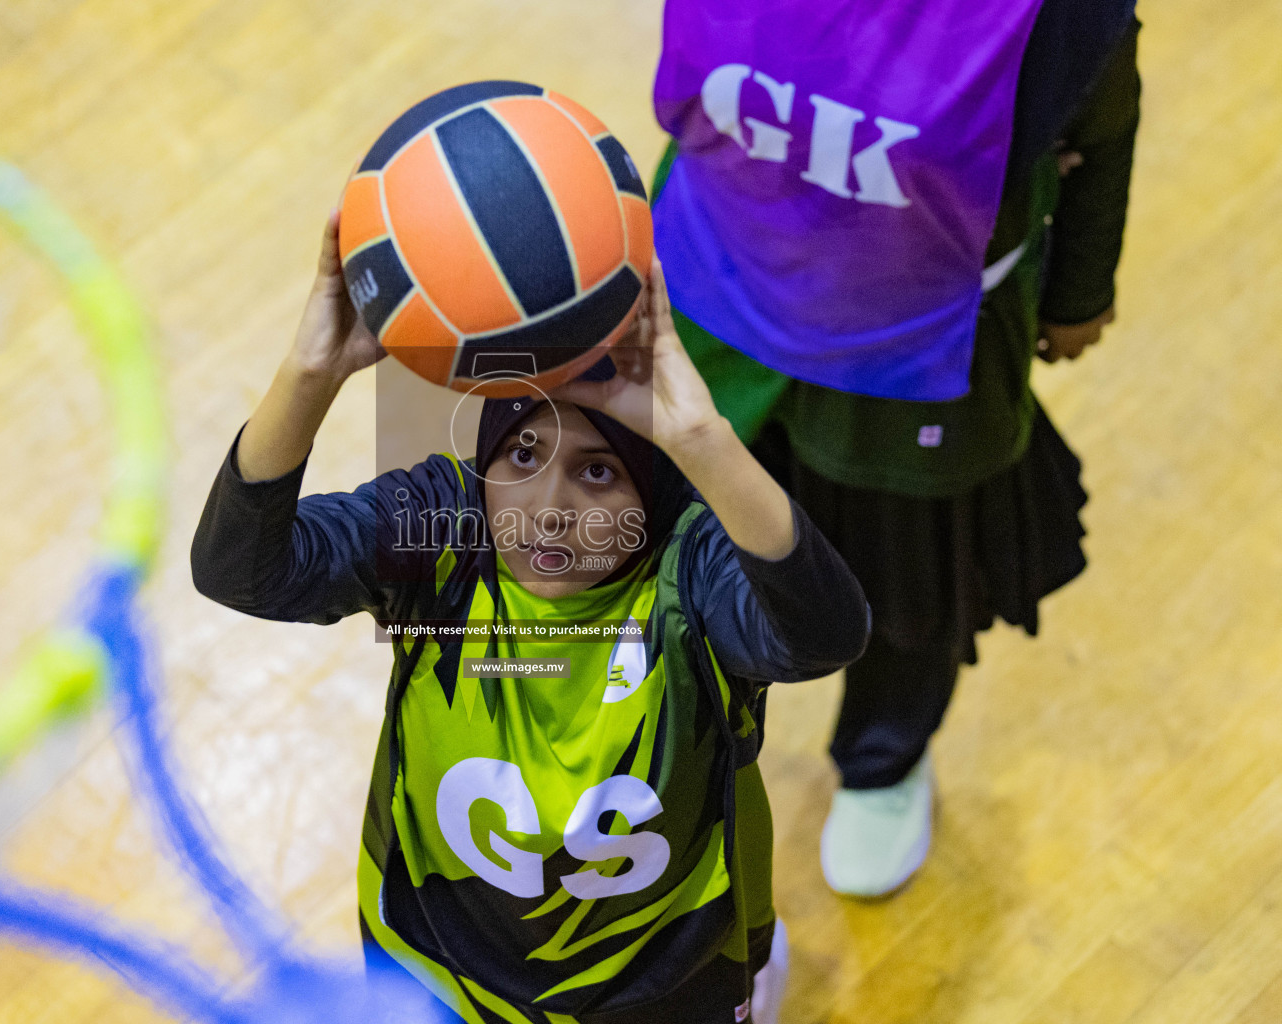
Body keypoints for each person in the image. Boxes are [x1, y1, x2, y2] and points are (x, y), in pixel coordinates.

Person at [190, 209, 869, 1023]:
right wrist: (311, 373)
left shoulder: (690, 568)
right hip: (438, 972)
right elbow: (241, 572)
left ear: (654, 492)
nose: (548, 509)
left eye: (598, 472)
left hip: (666, 984)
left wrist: (699, 435)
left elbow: (828, 634)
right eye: (521, 456)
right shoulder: (444, 526)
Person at [650, 0, 1142, 897]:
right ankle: (658, 745)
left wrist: (1078, 289)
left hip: (913, 354)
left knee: (905, 581)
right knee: (669, 543)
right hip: (719, 290)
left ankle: (883, 765)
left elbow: (1104, 131)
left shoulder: (1055, 18)